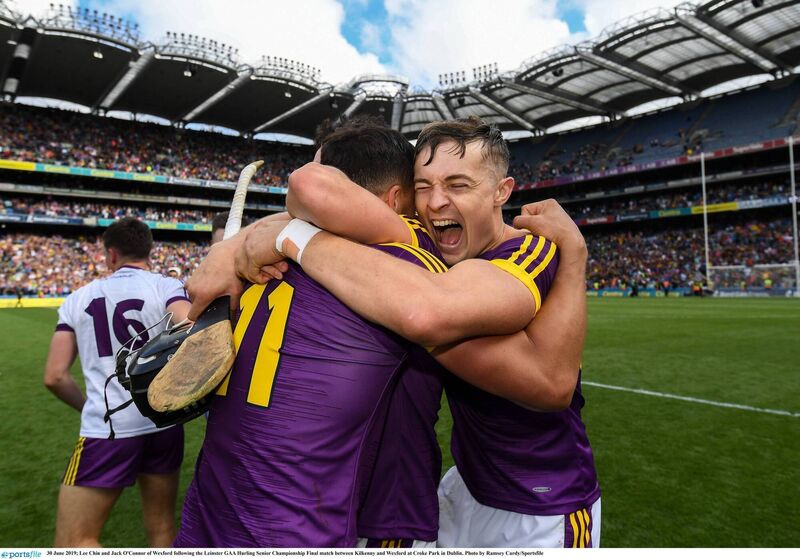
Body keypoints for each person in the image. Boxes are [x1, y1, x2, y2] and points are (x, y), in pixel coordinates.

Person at [189, 117, 595, 547]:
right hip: (465, 485)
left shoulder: (526, 250)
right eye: (424, 186)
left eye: (458, 185)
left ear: (501, 192)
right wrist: (232, 248)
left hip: (543, 499)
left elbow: (550, 384)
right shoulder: (424, 246)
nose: (436, 202)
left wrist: (575, 258)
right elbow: (339, 212)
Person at [174, 119, 448, 548]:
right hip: (295, 524)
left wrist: (236, 244)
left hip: (210, 509)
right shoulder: (401, 250)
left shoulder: (261, 258)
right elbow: (309, 185)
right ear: (397, 199)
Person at [43, 217, 191, 547]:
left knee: (73, 542)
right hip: (164, 422)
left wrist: (88, 405)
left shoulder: (78, 298)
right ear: (148, 250)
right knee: (162, 530)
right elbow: (188, 323)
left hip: (108, 429)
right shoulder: (166, 285)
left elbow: (54, 376)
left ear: (111, 255)